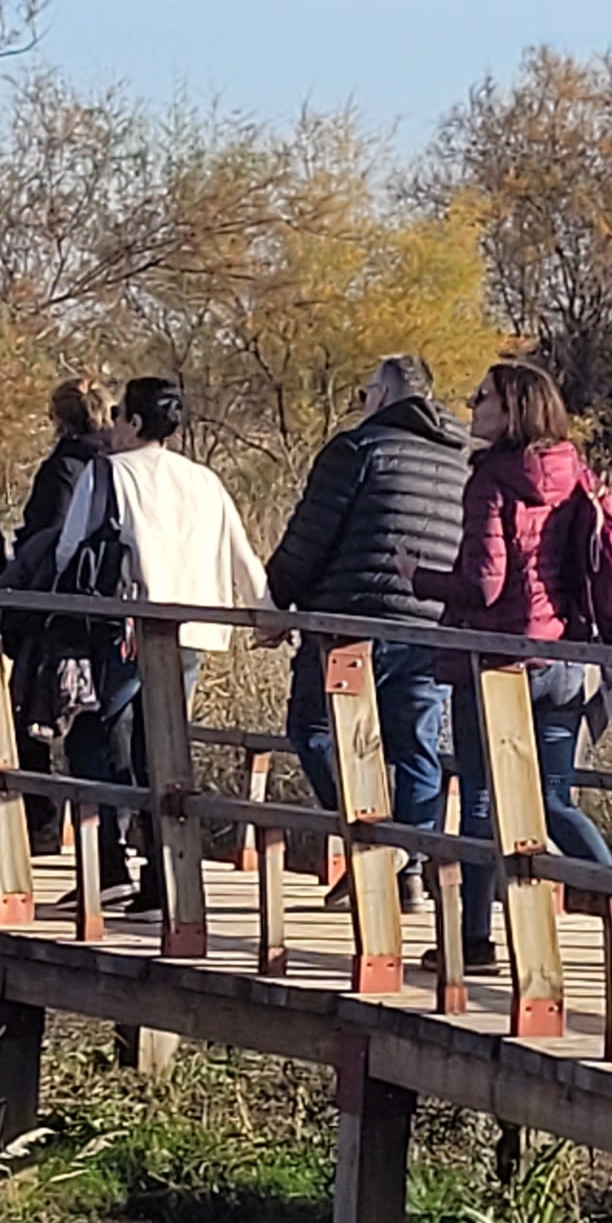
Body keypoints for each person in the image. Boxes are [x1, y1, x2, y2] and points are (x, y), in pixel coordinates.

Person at [433, 358, 612, 975]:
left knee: (478, 800)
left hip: (497, 660)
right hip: (564, 659)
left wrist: (419, 576)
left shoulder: (491, 480)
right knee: (552, 800)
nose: (472, 405)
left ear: (512, 408)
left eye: (482, 396)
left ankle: (474, 942)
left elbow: (486, 585)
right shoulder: (576, 473)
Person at [50, 377, 269, 910]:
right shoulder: (204, 480)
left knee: (95, 739)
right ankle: (161, 874)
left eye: (121, 412)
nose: (114, 421)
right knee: (163, 751)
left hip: (125, 631)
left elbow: (68, 553)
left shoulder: (109, 474)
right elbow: (242, 554)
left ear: (135, 422)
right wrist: (266, 617)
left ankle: (107, 862)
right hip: (191, 630)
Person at [263, 353, 468, 881]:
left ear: (383, 396)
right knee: (417, 747)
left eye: (366, 392)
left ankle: (373, 847)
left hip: (349, 624)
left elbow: (310, 537)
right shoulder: (462, 457)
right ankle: (410, 866)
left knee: (313, 729)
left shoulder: (358, 448)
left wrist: (279, 597)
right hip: (433, 625)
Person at [4, 380, 108, 846]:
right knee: (94, 715)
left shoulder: (64, 467)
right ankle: (103, 831)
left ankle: (42, 820)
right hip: (100, 606)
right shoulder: (115, 463)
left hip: (51, 606)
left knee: (30, 709)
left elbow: (49, 536)